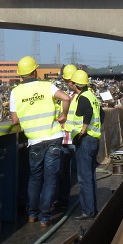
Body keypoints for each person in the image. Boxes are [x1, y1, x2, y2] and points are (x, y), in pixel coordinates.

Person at [9, 55, 72, 227]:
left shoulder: (15, 92)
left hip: (34, 141)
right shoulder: (47, 86)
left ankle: (31, 214)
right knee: (50, 178)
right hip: (53, 138)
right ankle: (45, 217)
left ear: (21, 75)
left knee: (35, 178)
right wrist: (63, 115)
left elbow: (15, 121)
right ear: (35, 71)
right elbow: (66, 98)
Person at [65, 69, 104, 220]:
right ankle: (92, 208)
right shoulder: (92, 96)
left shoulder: (82, 98)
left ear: (76, 85)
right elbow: (101, 114)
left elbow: (87, 113)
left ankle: (87, 211)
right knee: (91, 175)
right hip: (94, 139)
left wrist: (82, 130)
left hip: (86, 140)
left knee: (84, 177)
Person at [54, 64, 78, 211]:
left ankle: (62, 201)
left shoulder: (70, 98)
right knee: (69, 173)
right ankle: (64, 200)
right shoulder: (79, 96)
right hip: (74, 138)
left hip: (68, 139)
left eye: (68, 81)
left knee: (63, 173)